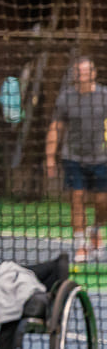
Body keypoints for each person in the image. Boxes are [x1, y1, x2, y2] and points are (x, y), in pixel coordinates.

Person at [46, 57, 107, 263]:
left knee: (102, 202)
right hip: (73, 157)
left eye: (86, 72)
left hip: (101, 158)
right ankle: (81, 245)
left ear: (94, 73)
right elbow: (56, 127)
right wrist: (50, 157)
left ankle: (96, 229)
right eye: (79, 72)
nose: (82, 76)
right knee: (77, 197)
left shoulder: (104, 96)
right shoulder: (66, 98)